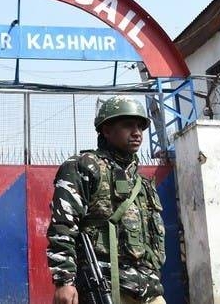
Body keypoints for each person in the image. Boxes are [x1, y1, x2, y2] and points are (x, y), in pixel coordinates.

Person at [47, 96, 166, 304]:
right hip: (105, 286)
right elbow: (63, 226)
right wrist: (64, 281)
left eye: (140, 126)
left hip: (148, 289)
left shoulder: (143, 183)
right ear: (106, 130)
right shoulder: (84, 167)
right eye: (128, 125)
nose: (137, 132)